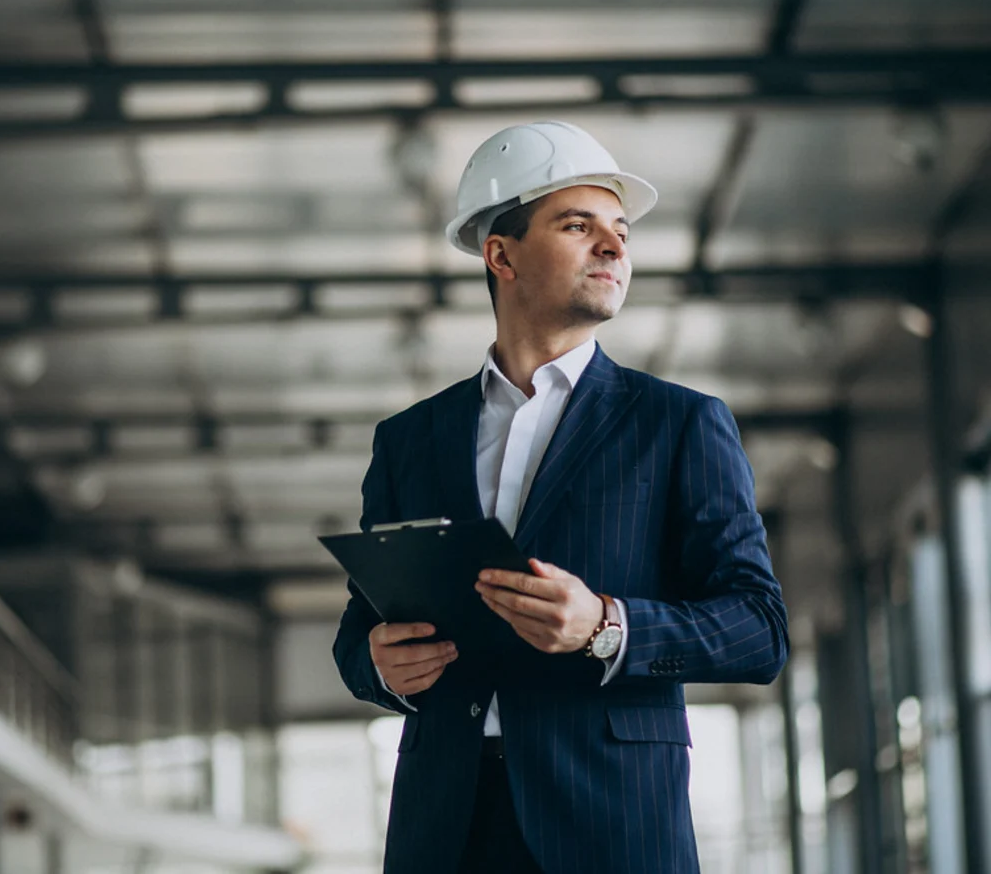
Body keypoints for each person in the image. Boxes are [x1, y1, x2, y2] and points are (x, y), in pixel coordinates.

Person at [332, 120, 789, 874]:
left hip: (612, 824)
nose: (613, 247)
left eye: (621, 232)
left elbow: (759, 630)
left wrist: (607, 627)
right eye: (579, 226)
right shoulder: (408, 440)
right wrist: (379, 667)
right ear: (501, 255)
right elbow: (359, 630)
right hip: (446, 828)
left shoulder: (679, 424)